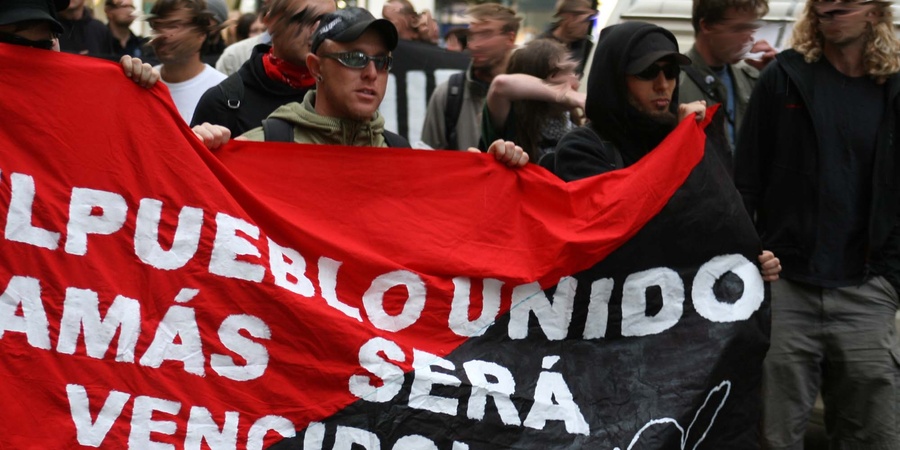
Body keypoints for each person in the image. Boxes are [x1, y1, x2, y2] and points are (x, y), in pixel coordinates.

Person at [734, 1, 900, 448]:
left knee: (876, 436)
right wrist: (752, 262)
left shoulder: (893, 85)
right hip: (787, 284)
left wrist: (892, 279)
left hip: (869, 289)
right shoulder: (785, 76)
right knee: (774, 436)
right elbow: (745, 180)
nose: (830, 8)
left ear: (874, 12)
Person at [550, 21, 779, 275]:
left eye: (670, 72)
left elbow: (711, 219)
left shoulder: (683, 136)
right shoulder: (582, 147)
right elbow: (622, 227)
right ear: (615, 78)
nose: (662, 85)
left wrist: (745, 261)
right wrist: (679, 147)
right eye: (647, 72)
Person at [232, 7, 526, 169]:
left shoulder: (401, 156)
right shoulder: (263, 146)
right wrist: (201, 152)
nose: (372, 73)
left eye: (382, 62)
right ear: (316, 67)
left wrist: (485, 175)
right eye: (354, 58)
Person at [191, 0, 336, 136]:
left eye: (328, 21)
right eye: (304, 19)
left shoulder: (343, 98)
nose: (318, 30)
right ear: (270, 21)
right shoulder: (223, 103)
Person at [680, 0, 776, 154]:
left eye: (752, 28)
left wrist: (775, 77)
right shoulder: (673, 83)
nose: (749, 38)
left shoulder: (751, 76)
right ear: (706, 26)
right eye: (738, 29)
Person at [421, 3, 520, 150]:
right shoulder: (448, 94)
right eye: (472, 36)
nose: (475, 45)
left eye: (486, 34)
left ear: (510, 39)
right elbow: (427, 159)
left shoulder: (529, 93)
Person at [0, 0, 158, 88]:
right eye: (13, 43)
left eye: (43, 44)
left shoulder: (100, 31)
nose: (29, 55)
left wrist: (129, 79)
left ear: (55, 43)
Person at [480, 38, 585, 162]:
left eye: (573, 71)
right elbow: (500, 85)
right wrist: (562, 93)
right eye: (562, 72)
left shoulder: (569, 120)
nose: (574, 80)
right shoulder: (512, 117)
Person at [148, 0, 227, 123]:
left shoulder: (222, 91)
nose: (162, 34)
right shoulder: (144, 83)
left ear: (201, 34)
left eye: (173, 26)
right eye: (156, 26)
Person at [540, 0, 597, 77]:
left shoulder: (588, 47)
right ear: (569, 18)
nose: (587, 26)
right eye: (585, 21)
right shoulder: (540, 48)